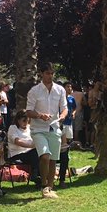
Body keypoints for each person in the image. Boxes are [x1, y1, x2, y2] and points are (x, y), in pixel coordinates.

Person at [25, 64, 68, 199]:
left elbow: (65, 108)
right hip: (38, 129)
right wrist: (40, 115)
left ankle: (50, 187)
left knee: (53, 159)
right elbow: (28, 111)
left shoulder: (60, 90)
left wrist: (62, 116)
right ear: (41, 74)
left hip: (54, 128)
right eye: (47, 73)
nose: (50, 76)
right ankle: (44, 185)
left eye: (51, 73)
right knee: (45, 156)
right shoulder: (34, 91)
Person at [6, 109, 41, 184]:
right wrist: (31, 145)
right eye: (23, 121)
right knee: (35, 153)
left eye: (27, 121)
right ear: (18, 120)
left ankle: (40, 176)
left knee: (40, 153)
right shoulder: (13, 128)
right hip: (17, 154)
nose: (26, 123)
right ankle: (35, 175)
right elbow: (17, 141)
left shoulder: (29, 128)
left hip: (30, 153)